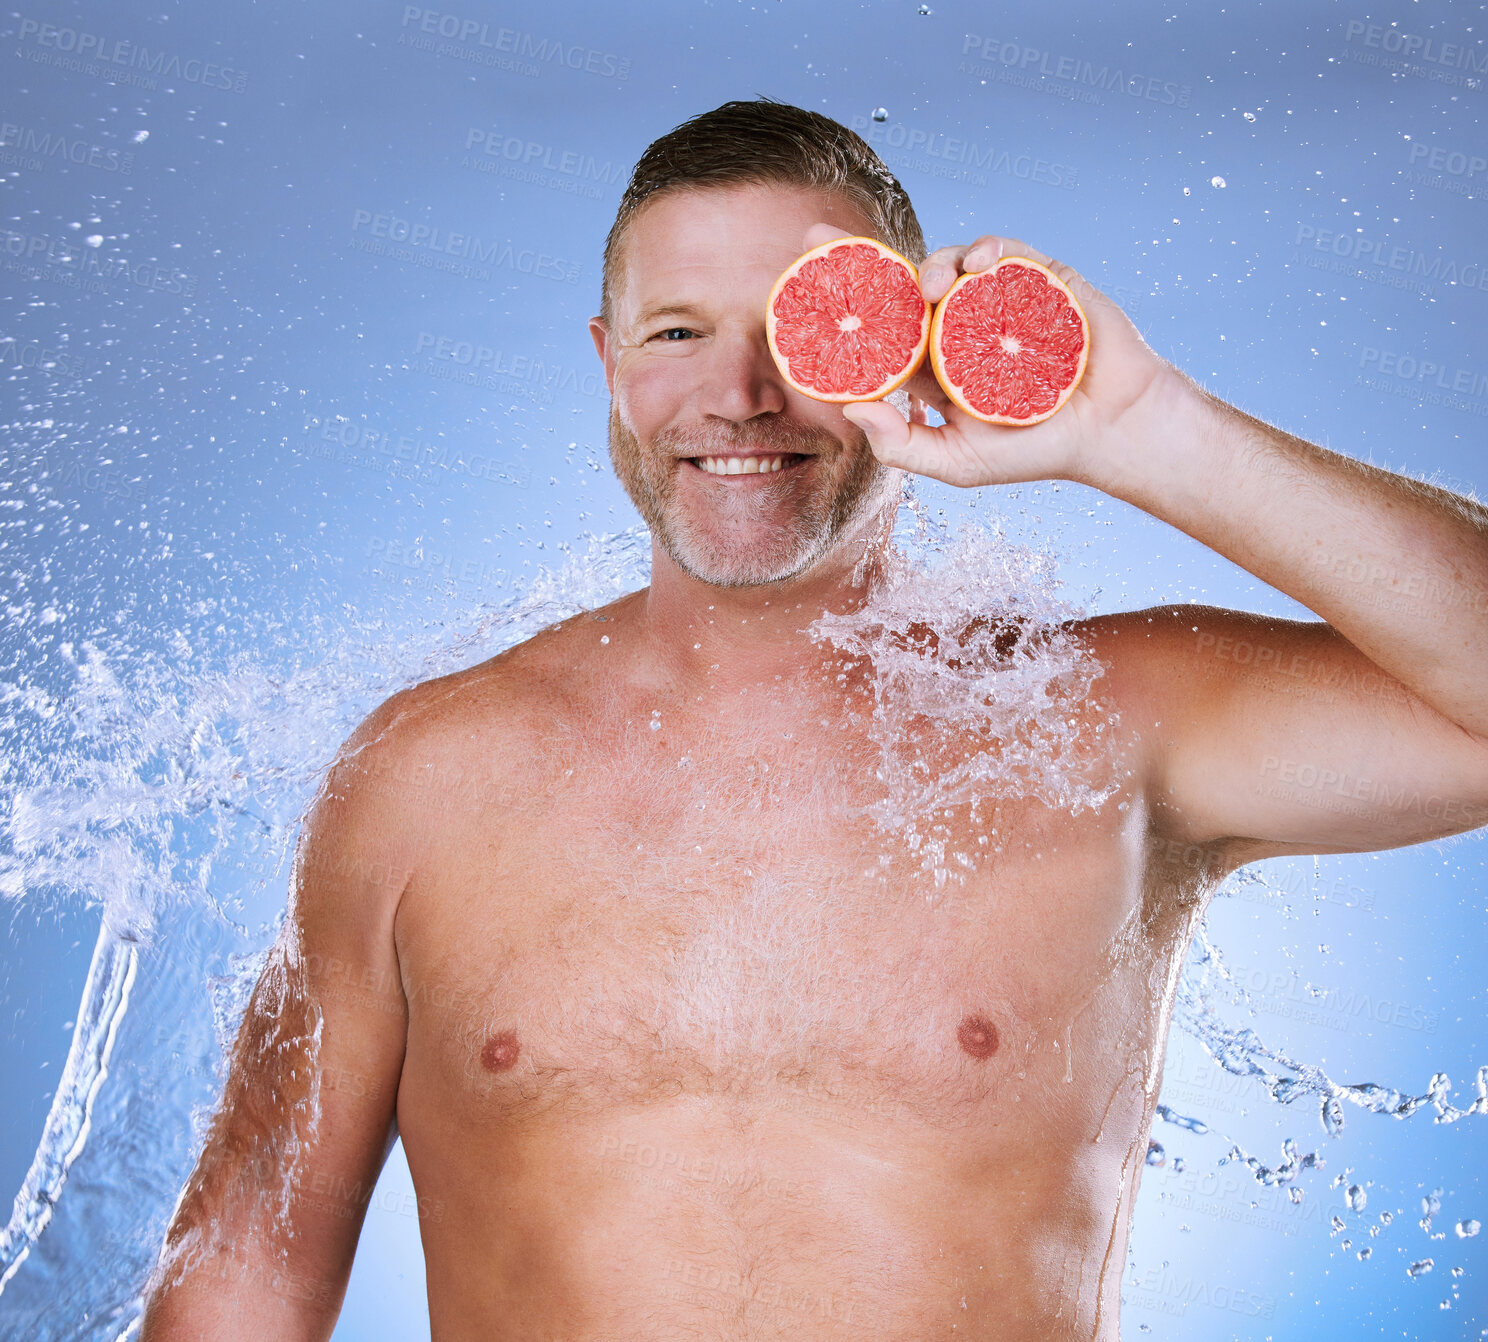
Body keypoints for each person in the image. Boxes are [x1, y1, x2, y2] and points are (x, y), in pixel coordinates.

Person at [139, 98, 1488, 1341]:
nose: (738, 398)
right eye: (677, 334)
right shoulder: (420, 777)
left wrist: (1140, 422)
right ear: (610, 367)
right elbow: (245, 1267)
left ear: (903, 355)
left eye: (798, 334)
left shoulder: (1101, 726)